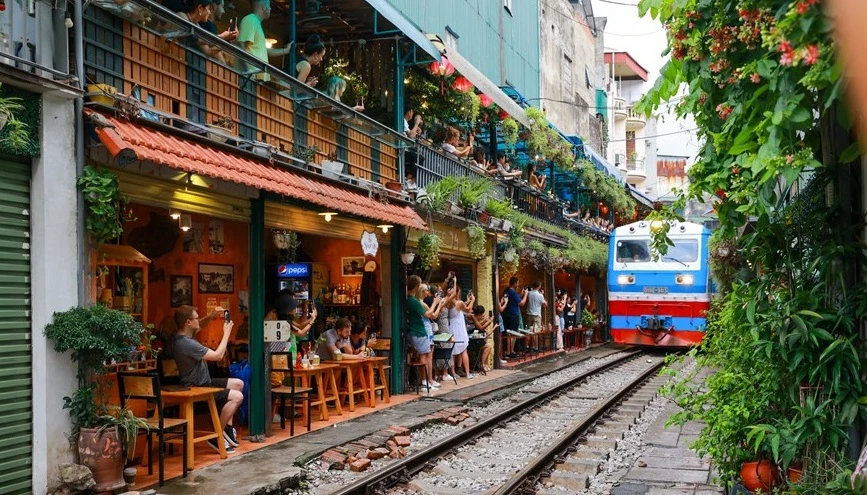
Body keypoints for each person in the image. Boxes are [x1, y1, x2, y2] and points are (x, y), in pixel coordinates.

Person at [167, 305, 243, 453]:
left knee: (238, 384)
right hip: (196, 387)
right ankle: (216, 434)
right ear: (188, 322)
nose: (198, 320)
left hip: (205, 382)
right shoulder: (186, 343)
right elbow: (218, 356)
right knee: (237, 397)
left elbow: (201, 324)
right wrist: (226, 333)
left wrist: (212, 315)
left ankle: (226, 428)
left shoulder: (183, 335)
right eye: (196, 317)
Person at [406, 275, 450, 389]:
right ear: (417, 287)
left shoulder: (411, 300)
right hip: (419, 332)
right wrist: (436, 303)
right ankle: (426, 382)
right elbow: (429, 315)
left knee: (425, 356)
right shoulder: (415, 302)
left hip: (416, 331)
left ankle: (427, 381)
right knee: (424, 357)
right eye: (420, 285)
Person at [237, 0, 293, 68]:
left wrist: (285, 50)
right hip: (249, 75)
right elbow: (241, 46)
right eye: (269, 6)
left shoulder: (255, 22)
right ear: (264, 8)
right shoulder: (250, 19)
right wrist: (248, 69)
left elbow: (264, 51)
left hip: (255, 75)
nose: (270, 8)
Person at [444, 283, 475, 379]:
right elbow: (468, 310)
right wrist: (472, 301)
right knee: (464, 350)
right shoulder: (459, 303)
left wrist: (466, 301)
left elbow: (460, 307)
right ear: (456, 292)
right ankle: (467, 373)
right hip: (459, 327)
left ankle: (453, 372)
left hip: (452, 326)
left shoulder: (448, 302)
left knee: (452, 350)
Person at [196, 0, 238, 64]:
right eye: (222, 7)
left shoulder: (204, 25)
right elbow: (214, 53)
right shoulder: (208, 26)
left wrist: (226, 39)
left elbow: (210, 50)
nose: (223, 11)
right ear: (214, 6)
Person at [499, 276, 527, 358]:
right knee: (512, 334)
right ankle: (510, 351)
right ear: (514, 284)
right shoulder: (513, 292)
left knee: (508, 333)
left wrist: (521, 295)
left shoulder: (507, 291)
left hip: (506, 314)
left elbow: (514, 300)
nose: (518, 285)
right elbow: (522, 303)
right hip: (513, 315)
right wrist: (526, 295)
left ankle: (509, 351)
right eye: (517, 283)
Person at [468, 306, 494, 372]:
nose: (482, 317)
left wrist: (485, 321)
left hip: (473, 339)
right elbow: (481, 328)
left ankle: (483, 364)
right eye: (482, 315)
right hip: (470, 341)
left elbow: (478, 325)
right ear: (479, 314)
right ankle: (482, 364)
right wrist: (489, 321)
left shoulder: (473, 317)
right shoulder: (472, 316)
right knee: (488, 346)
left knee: (488, 345)